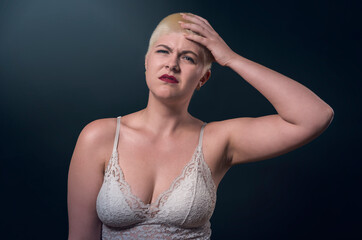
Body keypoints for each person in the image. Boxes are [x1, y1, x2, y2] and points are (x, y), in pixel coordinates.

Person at [67, 12, 334, 240]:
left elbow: (315, 116)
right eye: (163, 51)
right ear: (147, 61)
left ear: (203, 78)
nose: (172, 64)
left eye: (188, 58)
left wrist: (231, 59)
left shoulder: (218, 140)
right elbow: (81, 237)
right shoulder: (100, 136)